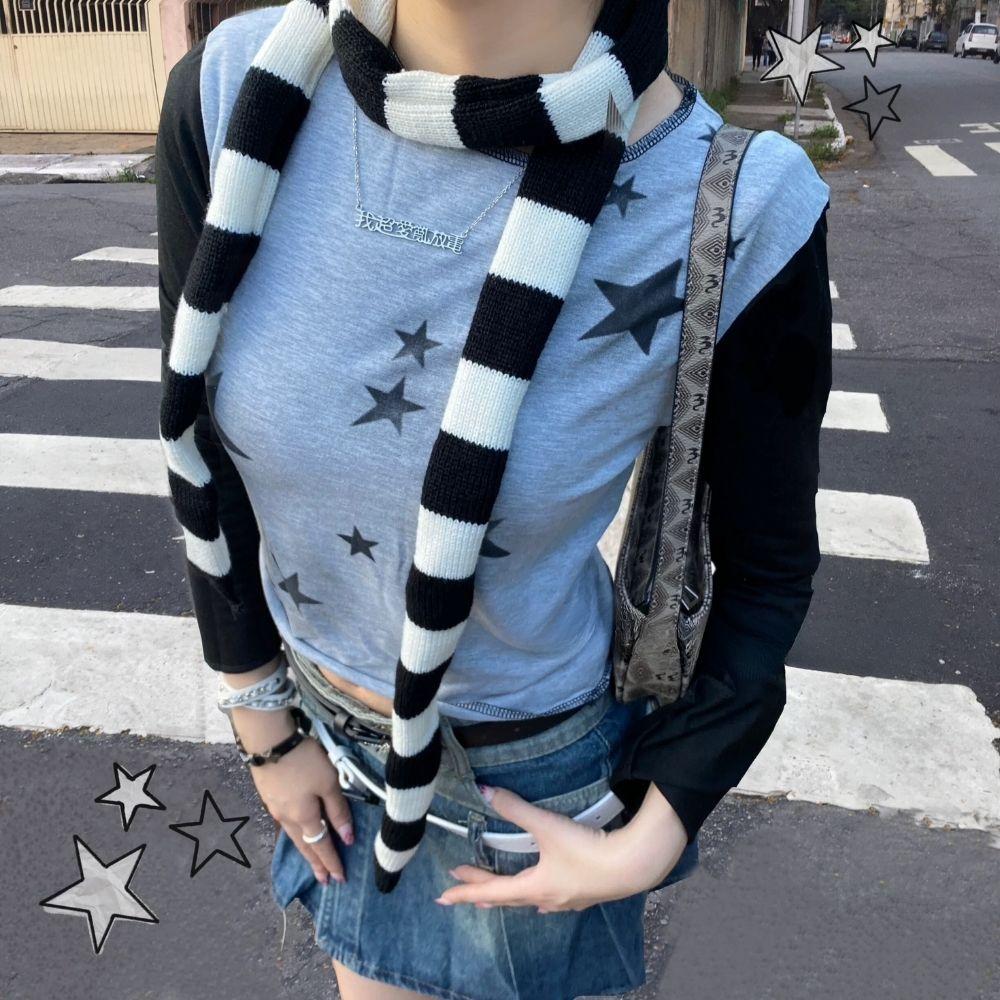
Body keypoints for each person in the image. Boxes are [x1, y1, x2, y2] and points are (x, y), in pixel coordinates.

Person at [156, 0, 832, 996]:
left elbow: (765, 569)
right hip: (323, 740)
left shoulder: (735, 200)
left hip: (527, 786)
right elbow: (196, 451)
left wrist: (648, 840)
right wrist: (265, 725)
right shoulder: (238, 89)